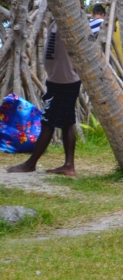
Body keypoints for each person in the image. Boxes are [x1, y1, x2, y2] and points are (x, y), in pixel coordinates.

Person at [7, 18, 82, 176]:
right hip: (57, 79)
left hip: (65, 81)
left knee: (48, 122)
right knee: (67, 123)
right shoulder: (57, 20)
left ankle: (30, 164)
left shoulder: (71, 19)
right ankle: (69, 166)